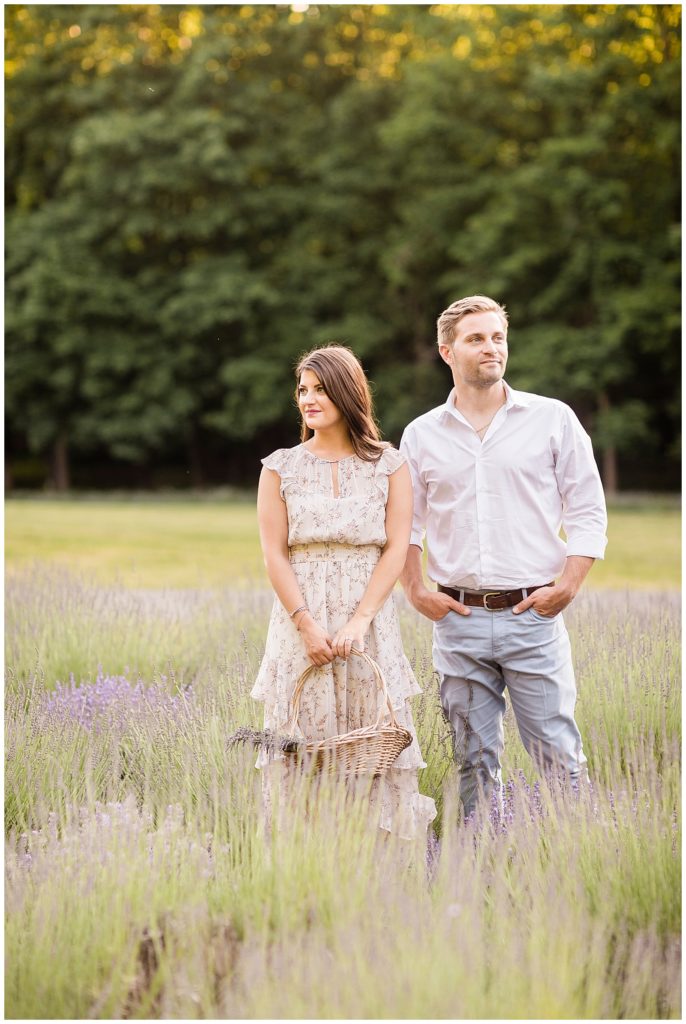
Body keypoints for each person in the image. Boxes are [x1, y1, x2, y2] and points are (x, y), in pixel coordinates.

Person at [399, 295, 608, 817]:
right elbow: (406, 523)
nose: (491, 347)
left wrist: (569, 584)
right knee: (472, 760)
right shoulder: (421, 434)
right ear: (447, 351)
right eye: (476, 338)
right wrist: (417, 590)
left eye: (498, 337)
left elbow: (587, 508)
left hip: (533, 617)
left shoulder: (552, 419)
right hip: (459, 620)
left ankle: (577, 855)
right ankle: (478, 865)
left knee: (559, 755)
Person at [252, 344, 436, 844]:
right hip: (300, 617)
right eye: (302, 390)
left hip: (368, 616)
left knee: (371, 737)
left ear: (347, 392)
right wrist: (306, 623)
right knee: (302, 742)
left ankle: (370, 860)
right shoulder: (280, 467)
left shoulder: (389, 464)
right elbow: (274, 553)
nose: (308, 399)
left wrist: (360, 620)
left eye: (319, 389)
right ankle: (304, 858)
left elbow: (397, 546)